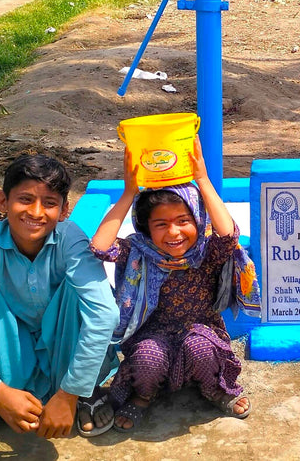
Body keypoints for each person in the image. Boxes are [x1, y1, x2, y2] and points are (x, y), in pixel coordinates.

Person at [0, 154, 119, 440]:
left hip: (62, 345)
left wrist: (69, 394)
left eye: (49, 203)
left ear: (65, 210)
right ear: (2, 202)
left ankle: (84, 393)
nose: (36, 212)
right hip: (10, 349)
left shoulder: (70, 239)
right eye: (25, 199)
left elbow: (105, 315)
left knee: (84, 294)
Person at [90, 137, 261, 432]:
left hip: (200, 329)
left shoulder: (206, 252)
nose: (174, 232)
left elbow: (229, 236)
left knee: (201, 350)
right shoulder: (138, 253)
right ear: (146, 229)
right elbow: (100, 248)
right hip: (151, 334)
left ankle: (214, 389)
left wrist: (203, 180)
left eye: (184, 220)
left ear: (197, 220)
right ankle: (144, 396)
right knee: (147, 357)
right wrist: (129, 192)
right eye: (161, 224)